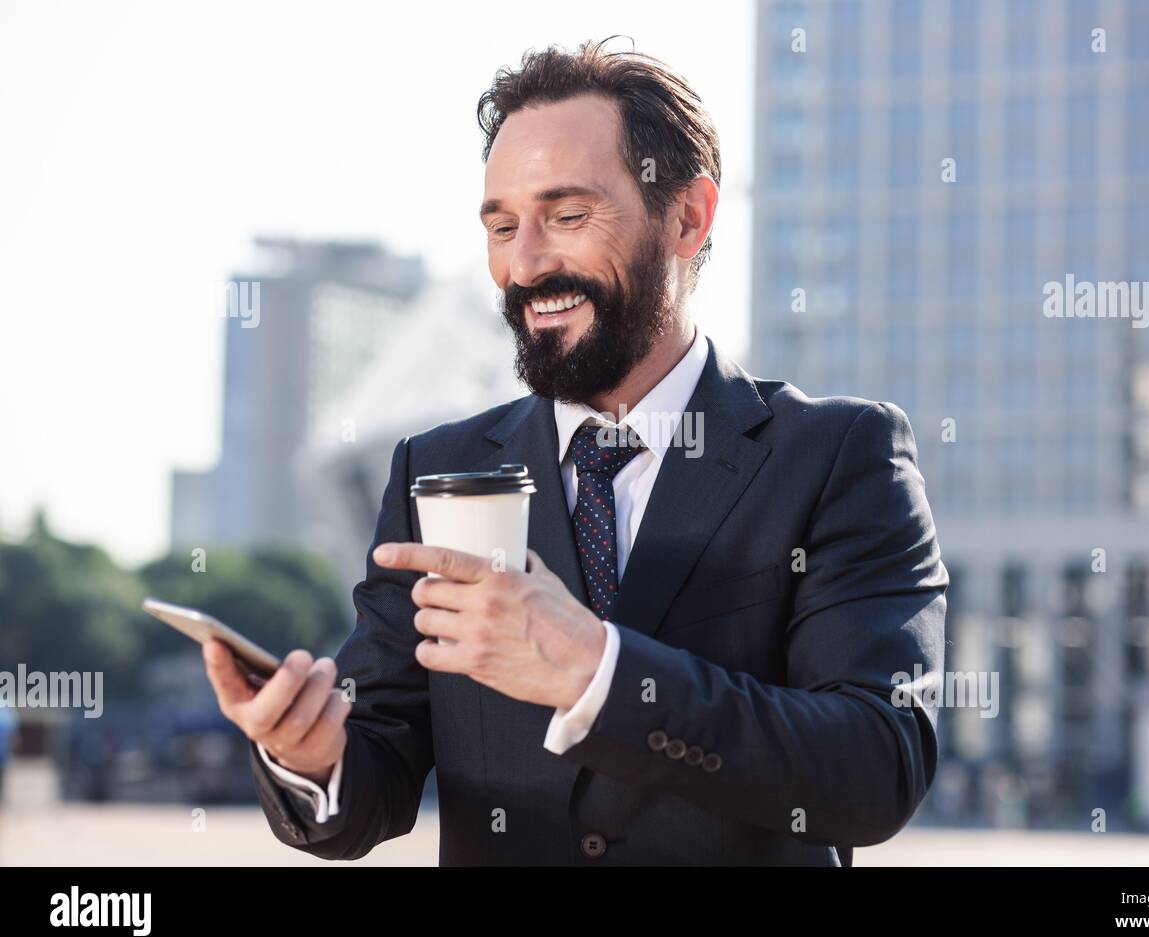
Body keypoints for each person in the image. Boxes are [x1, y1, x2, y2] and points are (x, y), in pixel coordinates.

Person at [203, 38, 948, 866]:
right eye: (502, 226)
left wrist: (599, 672)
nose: (524, 265)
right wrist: (309, 756)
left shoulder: (838, 456)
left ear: (689, 217)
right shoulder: (433, 471)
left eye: (567, 216)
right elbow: (374, 771)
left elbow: (874, 768)